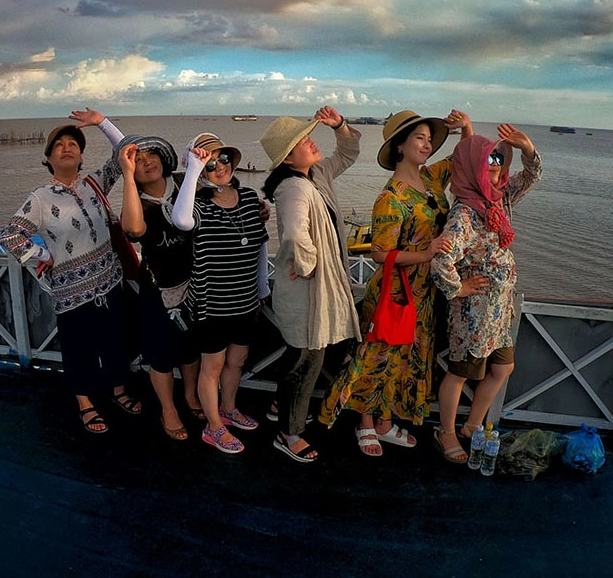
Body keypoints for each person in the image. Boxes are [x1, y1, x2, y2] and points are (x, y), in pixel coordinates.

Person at [319, 109, 472, 457]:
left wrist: (467, 127)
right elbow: (379, 253)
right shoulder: (391, 198)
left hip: (424, 293)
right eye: (419, 138)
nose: (427, 144)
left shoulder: (431, 178)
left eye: (429, 139)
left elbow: (463, 159)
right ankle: (366, 423)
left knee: (403, 360)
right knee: (378, 358)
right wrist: (426, 252)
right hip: (395, 292)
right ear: (400, 146)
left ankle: (385, 423)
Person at [0, 117, 141, 434]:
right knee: (79, 349)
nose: (67, 148)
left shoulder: (95, 183)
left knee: (116, 341)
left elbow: (126, 149)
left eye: (73, 144)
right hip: (70, 291)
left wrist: (102, 122)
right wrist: (43, 255)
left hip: (110, 282)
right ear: (49, 158)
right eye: (59, 145)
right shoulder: (40, 198)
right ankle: (85, 403)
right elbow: (10, 236)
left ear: (81, 156)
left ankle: (119, 390)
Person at [430, 125, 541, 463]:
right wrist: (458, 287)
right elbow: (440, 261)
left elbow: (531, 177)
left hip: (500, 312)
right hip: (473, 315)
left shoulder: (499, 200)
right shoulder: (464, 214)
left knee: (503, 369)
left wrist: (527, 148)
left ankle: (471, 426)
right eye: (488, 159)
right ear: (471, 167)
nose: (495, 164)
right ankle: (446, 432)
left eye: (498, 158)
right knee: (459, 372)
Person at [260, 106, 362, 463]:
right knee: (307, 360)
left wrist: (340, 126)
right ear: (288, 158)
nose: (311, 142)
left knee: (303, 354)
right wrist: (309, 264)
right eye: (303, 141)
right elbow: (293, 234)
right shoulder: (293, 188)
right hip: (307, 288)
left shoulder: (315, 174)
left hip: (315, 286)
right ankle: (289, 433)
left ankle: (281, 406)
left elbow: (347, 154)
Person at [172, 133, 270, 454]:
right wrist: (193, 169)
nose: (220, 167)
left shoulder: (250, 197)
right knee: (211, 368)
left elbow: (261, 246)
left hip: (245, 300)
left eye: (223, 158)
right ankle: (213, 427)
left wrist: (262, 288)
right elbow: (181, 220)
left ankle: (228, 410)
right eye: (210, 164)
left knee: (237, 361)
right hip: (211, 304)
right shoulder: (197, 206)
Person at [117, 132, 203, 441]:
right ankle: (168, 409)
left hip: (195, 283)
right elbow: (133, 229)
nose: (146, 162)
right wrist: (127, 176)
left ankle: (191, 395)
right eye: (137, 161)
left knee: (192, 348)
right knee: (161, 353)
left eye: (151, 154)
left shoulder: (184, 183)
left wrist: (258, 207)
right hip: (157, 288)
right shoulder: (137, 202)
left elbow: (220, 197)